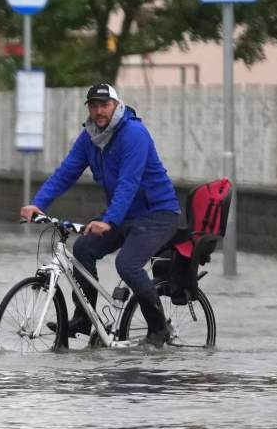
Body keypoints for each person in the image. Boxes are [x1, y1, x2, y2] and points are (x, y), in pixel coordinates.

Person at [19, 83, 181, 346]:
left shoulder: (134, 134)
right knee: (83, 249)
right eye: (93, 106)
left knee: (127, 264)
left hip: (157, 214)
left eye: (104, 105)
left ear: (116, 105)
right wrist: (38, 204)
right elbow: (66, 172)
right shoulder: (90, 137)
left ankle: (158, 328)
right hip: (123, 214)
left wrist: (108, 220)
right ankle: (84, 318)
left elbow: (129, 182)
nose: (98, 111)